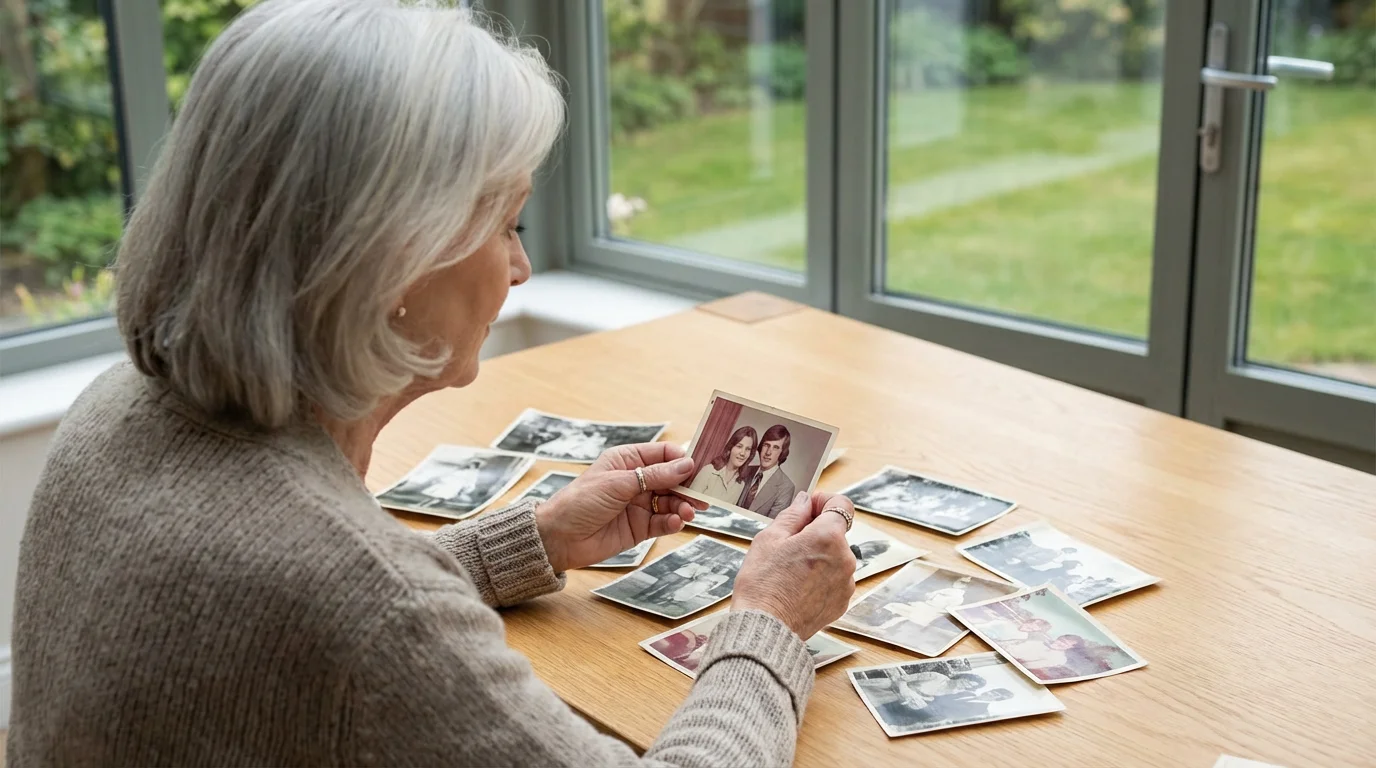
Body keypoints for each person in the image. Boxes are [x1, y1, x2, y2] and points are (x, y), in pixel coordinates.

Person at [6, 3, 860, 765]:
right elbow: (352, 613)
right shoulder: (371, 613)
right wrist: (768, 625)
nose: (521, 269)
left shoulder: (114, 414)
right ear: (393, 257)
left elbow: (271, 622)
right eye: (508, 224)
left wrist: (539, 540)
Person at [737, 424, 797, 518]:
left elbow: (770, 525)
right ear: (761, 447)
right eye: (766, 445)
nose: (768, 452)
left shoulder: (786, 487)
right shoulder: (746, 470)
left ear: (782, 452)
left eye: (776, 447)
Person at [688, 426, 757, 504]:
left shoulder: (741, 485)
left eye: (748, 449)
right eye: (739, 446)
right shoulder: (708, 471)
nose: (742, 453)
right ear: (730, 448)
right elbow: (689, 503)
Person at [418, 458, 483, 507]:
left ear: (475, 465)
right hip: (449, 483)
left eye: (472, 464)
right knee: (435, 494)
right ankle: (421, 504)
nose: (470, 465)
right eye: (471, 464)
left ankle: (426, 505)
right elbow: (453, 475)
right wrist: (443, 479)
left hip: (456, 486)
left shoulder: (474, 472)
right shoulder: (464, 470)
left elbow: (471, 481)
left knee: (441, 497)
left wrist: (465, 488)